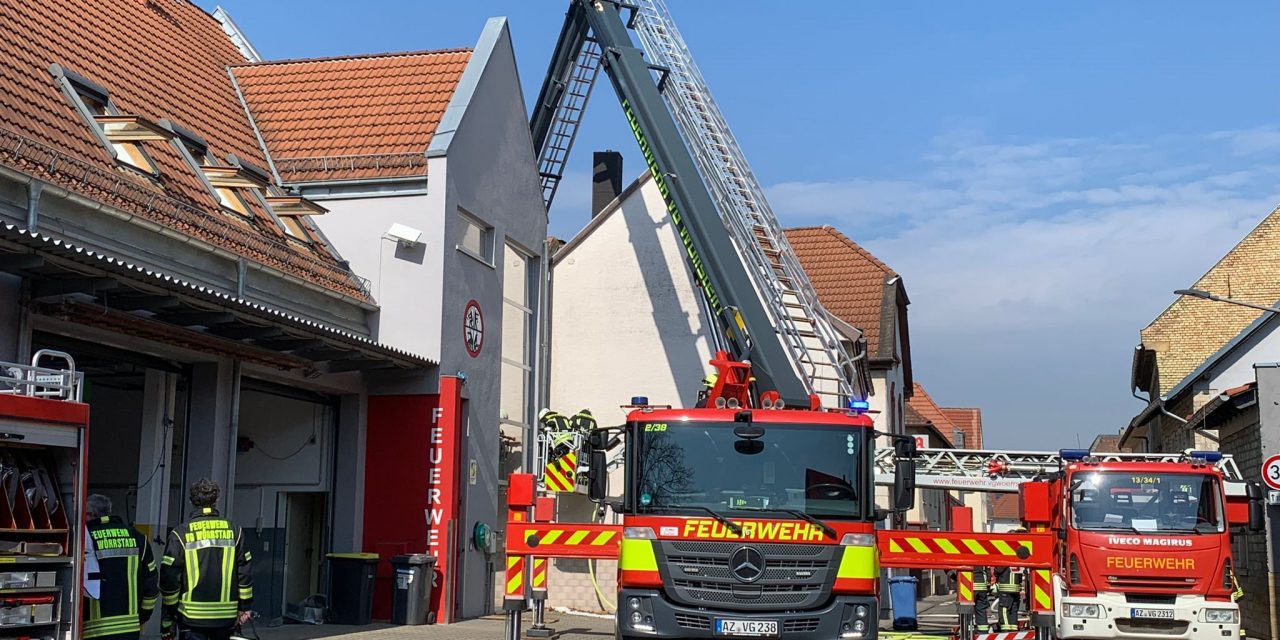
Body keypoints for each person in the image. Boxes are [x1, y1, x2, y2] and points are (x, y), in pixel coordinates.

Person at [159, 479, 253, 640]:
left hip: (191, 618)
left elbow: (170, 580)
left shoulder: (180, 533)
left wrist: (169, 616)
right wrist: (245, 608)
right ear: (217, 500)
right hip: (226, 618)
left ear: (191, 502)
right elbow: (244, 573)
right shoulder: (235, 531)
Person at [83, 494, 158, 640]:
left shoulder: (85, 539)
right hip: (130, 629)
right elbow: (152, 585)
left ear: (91, 514)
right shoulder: (138, 537)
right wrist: (143, 616)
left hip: (94, 629)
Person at [994, 528, 1027, 631]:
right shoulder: (1020, 553)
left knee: (1004, 610)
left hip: (1006, 587)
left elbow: (999, 569)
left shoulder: (1006, 551)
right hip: (1016, 588)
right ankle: (1013, 629)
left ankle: (1006, 630)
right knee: (1013, 610)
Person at [971, 566, 992, 633]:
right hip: (982, 586)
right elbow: (988, 572)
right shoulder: (982, 556)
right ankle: (983, 632)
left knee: (966, 610)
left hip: (970, 586)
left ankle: (967, 631)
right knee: (981, 610)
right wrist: (987, 586)